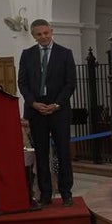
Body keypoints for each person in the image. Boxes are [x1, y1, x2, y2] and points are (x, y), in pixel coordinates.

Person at [18, 18, 77, 207]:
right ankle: (45, 194)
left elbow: (70, 83)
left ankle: (66, 192)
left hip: (58, 111)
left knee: (62, 152)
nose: (43, 37)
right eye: (39, 34)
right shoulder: (27, 55)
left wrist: (57, 104)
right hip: (37, 111)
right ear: (33, 36)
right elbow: (23, 83)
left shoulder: (65, 54)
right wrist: (33, 103)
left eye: (46, 33)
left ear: (51, 31)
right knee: (41, 154)